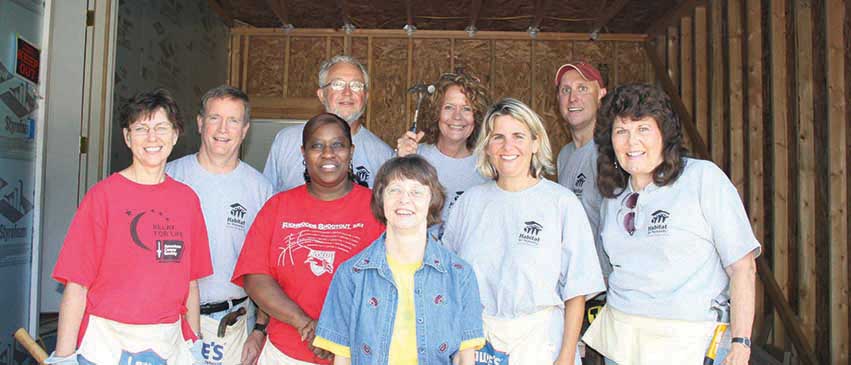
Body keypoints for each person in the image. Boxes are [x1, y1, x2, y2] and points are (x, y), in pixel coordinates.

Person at [581, 84, 760, 365]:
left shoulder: (702, 179)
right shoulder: (614, 196)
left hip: (688, 345)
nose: (631, 142)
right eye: (621, 131)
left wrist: (741, 343)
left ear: (664, 134)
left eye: (643, 129)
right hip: (621, 343)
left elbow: (743, 267)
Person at [48, 89, 211, 365]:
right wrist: (63, 356)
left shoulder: (187, 200)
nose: (152, 138)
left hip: (167, 342)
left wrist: (194, 341)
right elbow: (76, 285)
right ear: (127, 137)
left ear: (175, 135)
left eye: (161, 128)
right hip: (105, 342)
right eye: (141, 128)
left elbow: (190, 283)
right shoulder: (102, 197)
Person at [442, 98, 605, 365]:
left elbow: (577, 290)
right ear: (487, 147)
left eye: (518, 136)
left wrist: (565, 357)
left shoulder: (560, 203)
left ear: (535, 142)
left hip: (540, 342)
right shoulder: (469, 202)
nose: (508, 147)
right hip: (479, 340)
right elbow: (449, 277)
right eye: (498, 137)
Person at [232, 113, 385, 365]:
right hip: (285, 353)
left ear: (351, 151)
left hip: (356, 354)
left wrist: (335, 335)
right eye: (317, 145)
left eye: (338, 144)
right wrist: (305, 324)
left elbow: (391, 283)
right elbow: (255, 277)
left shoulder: (378, 209)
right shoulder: (278, 206)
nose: (328, 153)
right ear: (303, 153)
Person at [313, 155, 485, 365]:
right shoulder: (351, 274)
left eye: (416, 192)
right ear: (380, 197)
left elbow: (464, 358)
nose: (405, 200)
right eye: (395, 190)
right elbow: (343, 357)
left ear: (432, 200)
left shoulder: (460, 274)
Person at [166, 85, 274, 365]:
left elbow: (268, 268)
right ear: (200, 123)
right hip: (170, 322)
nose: (223, 128)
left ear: (245, 129)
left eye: (233, 120)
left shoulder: (260, 189)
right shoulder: (169, 177)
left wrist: (260, 330)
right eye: (215, 118)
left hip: (234, 325)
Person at [263, 55, 394, 191]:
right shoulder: (286, 141)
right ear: (321, 95)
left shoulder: (383, 156)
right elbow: (268, 199)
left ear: (366, 97)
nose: (347, 93)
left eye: (356, 85)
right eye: (337, 84)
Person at [395, 72, 491, 237]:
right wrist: (399, 163)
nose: (457, 117)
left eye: (466, 109)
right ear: (436, 113)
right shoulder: (413, 156)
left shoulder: (487, 167)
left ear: (477, 117)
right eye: (449, 107)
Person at [553, 61, 612, 280]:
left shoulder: (613, 151)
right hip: (576, 281)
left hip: (606, 284)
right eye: (565, 90)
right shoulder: (564, 156)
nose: (573, 98)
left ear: (601, 94)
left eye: (582, 88)